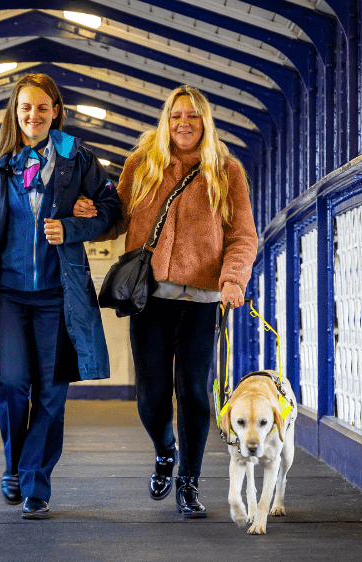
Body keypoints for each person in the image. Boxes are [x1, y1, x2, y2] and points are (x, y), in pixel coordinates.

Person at [0, 74, 120, 520]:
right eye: (25, 107)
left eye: (43, 107)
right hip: (6, 297)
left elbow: (112, 210)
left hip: (58, 297)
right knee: (9, 386)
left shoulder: (77, 159)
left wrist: (74, 227)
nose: (33, 115)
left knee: (51, 392)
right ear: (15, 111)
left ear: (56, 111)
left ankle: (35, 485)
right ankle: (15, 465)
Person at [75, 85, 257, 518]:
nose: (184, 124)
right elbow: (117, 218)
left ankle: (189, 483)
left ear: (205, 122)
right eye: (176, 116)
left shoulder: (227, 171)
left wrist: (232, 280)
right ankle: (164, 449)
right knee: (152, 393)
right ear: (166, 120)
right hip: (150, 297)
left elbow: (243, 236)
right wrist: (88, 216)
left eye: (193, 116)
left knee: (193, 392)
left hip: (202, 300)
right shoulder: (142, 165)